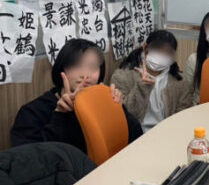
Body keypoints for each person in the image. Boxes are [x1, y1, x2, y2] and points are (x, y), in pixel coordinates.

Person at [10, 39, 142, 153]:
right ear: (61, 69)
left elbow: (136, 137)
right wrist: (61, 115)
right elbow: (33, 161)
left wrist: (117, 109)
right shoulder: (31, 113)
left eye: (92, 67)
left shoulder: (100, 102)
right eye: (77, 66)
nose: (85, 74)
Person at [111, 30, 193, 132]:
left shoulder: (180, 82)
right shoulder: (122, 76)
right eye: (158, 50)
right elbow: (125, 116)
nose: (162, 55)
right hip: (136, 135)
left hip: (168, 132)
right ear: (145, 47)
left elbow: (183, 115)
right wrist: (142, 88)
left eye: (168, 52)